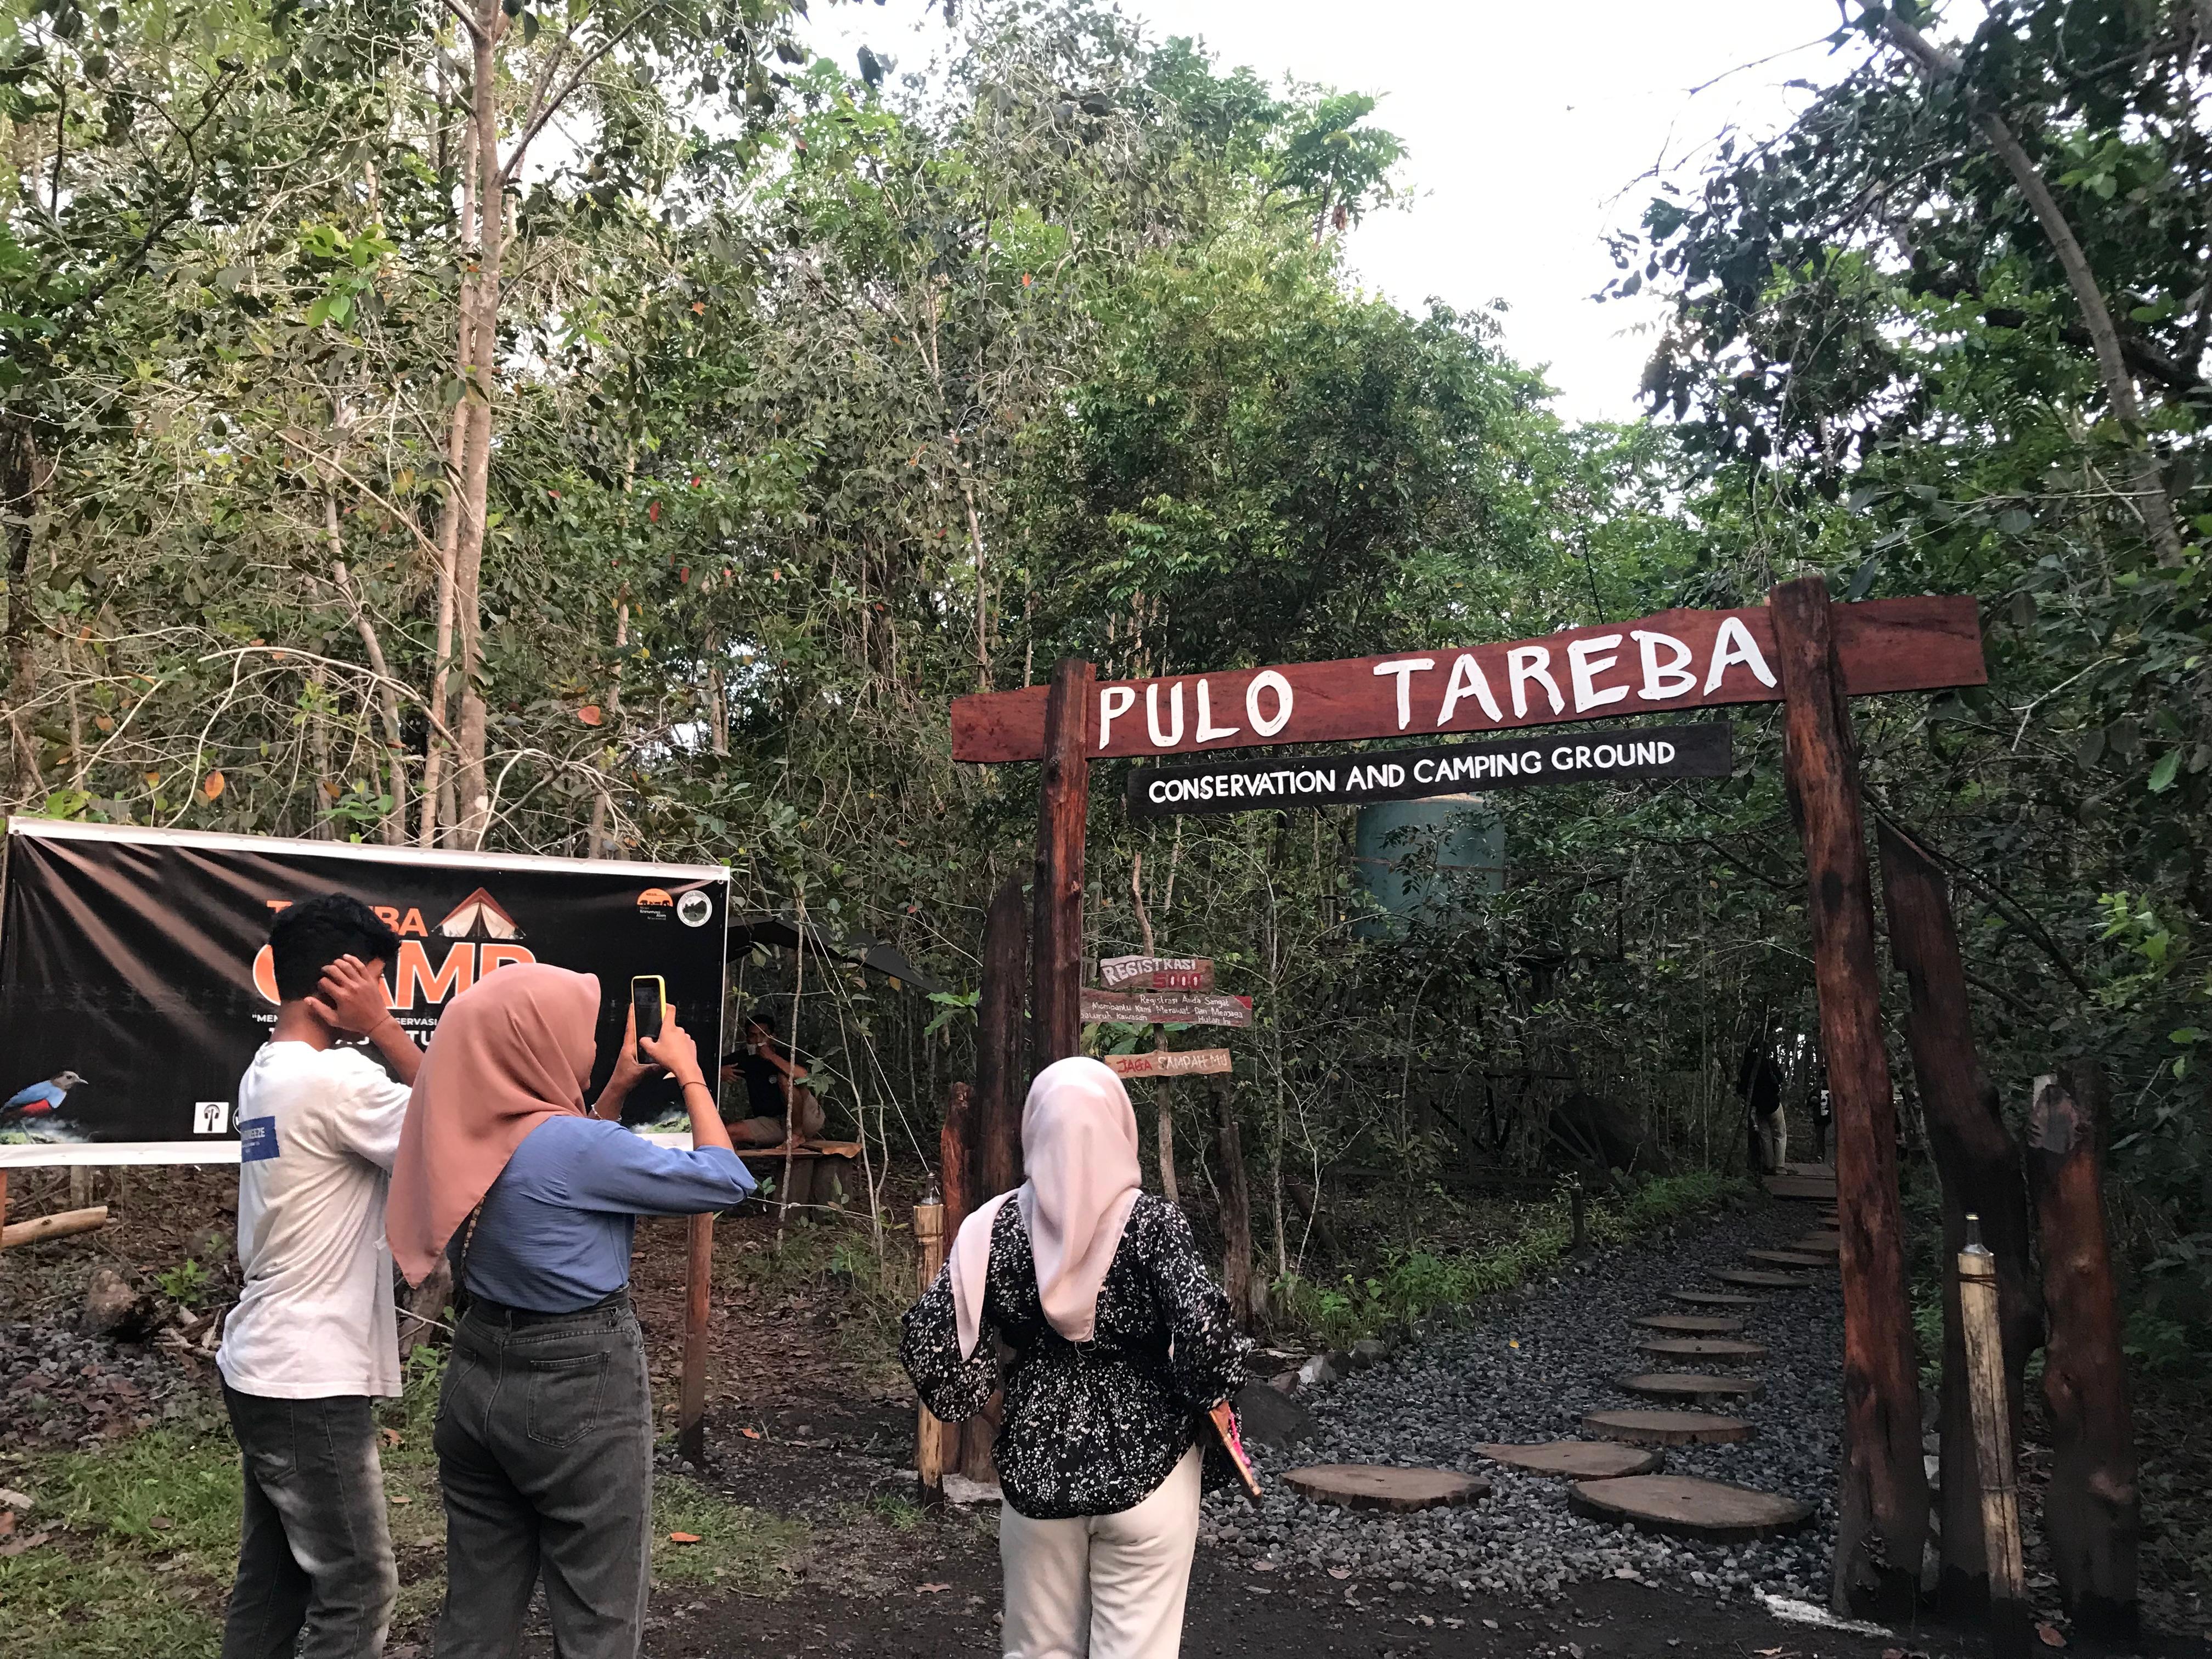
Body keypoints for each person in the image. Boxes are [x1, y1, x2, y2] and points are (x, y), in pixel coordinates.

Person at [386, 962, 753, 1659]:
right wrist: (691, 1074)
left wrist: (613, 1089)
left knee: (476, 1608)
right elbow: (726, 1182)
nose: (587, 1048)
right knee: (598, 1610)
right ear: (538, 1043)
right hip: (578, 1382)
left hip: (475, 1374)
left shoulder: (467, 1128)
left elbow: (551, 1164)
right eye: (580, 1033)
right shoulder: (577, 1148)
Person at [901, 1056, 1249, 1659]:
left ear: (1033, 1130)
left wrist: (996, 1406)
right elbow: (1210, 1346)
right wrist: (1187, 1398)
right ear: (1120, 1128)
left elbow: (932, 1352)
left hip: (1035, 1471)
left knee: (1037, 1651)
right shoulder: (1153, 1225)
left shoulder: (995, 1228)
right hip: (1153, 1471)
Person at [215, 893, 424, 1659]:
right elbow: (456, 1124)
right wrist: (382, 1028)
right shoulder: (336, 1082)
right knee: (359, 1591)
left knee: (273, 1582)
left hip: (264, 1363)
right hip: (309, 1379)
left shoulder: (270, 1071)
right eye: (375, 979)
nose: (382, 995)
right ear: (340, 980)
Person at [719, 1009, 823, 1147]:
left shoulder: (786, 1054)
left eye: (763, 1035)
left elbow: (804, 1076)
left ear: (773, 1037)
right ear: (747, 1039)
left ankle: (797, 1135)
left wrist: (772, 1057)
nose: (758, 1041)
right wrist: (720, 1071)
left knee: (785, 1079)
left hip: (807, 1118)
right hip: (774, 1122)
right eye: (753, 1036)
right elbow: (704, 1066)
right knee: (729, 1132)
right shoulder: (746, 1058)